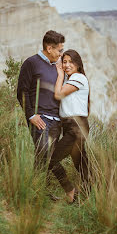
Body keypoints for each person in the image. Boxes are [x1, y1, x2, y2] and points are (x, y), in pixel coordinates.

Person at [17, 30, 69, 191]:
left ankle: (39, 192)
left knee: (47, 158)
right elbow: (22, 91)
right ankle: (69, 189)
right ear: (49, 48)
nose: (61, 54)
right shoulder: (31, 63)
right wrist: (31, 115)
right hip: (39, 119)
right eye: (59, 50)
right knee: (45, 153)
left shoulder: (58, 68)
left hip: (56, 121)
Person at [48, 49, 90, 203]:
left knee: (50, 160)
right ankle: (87, 197)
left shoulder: (78, 78)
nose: (66, 65)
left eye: (70, 62)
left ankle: (71, 193)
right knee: (81, 164)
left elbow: (58, 95)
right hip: (71, 126)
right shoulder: (70, 79)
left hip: (76, 127)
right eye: (64, 62)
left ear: (78, 64)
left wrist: (59, 74)